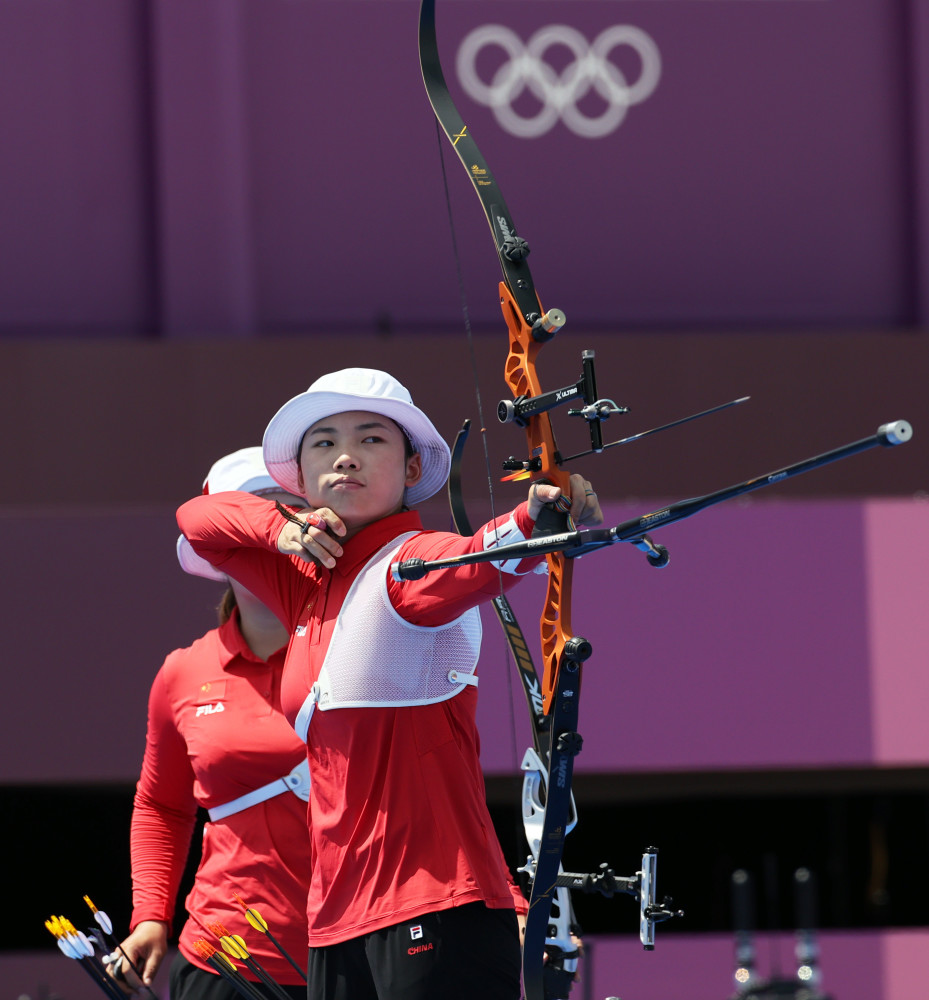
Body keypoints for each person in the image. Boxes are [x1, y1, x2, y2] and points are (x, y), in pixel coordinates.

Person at [176, 368, 603, 1000]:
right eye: (323, 443)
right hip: (337, 919)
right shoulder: (304, 582)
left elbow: (477, 560)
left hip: (434, 902)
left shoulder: (412, 561)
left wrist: (534, 518)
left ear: (410, 469)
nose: (344, 456)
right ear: (303, 477)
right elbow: (197, 517)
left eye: (371, 439)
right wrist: (280, 529)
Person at [112, 448, 312, 999]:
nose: (269, 536)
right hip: (226, 961)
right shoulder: (183, 672)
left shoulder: (366, 650)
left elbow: (433, 789)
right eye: (248, 518)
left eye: (284, 515)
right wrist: (151, 914)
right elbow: (162, 804)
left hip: (361, 950)